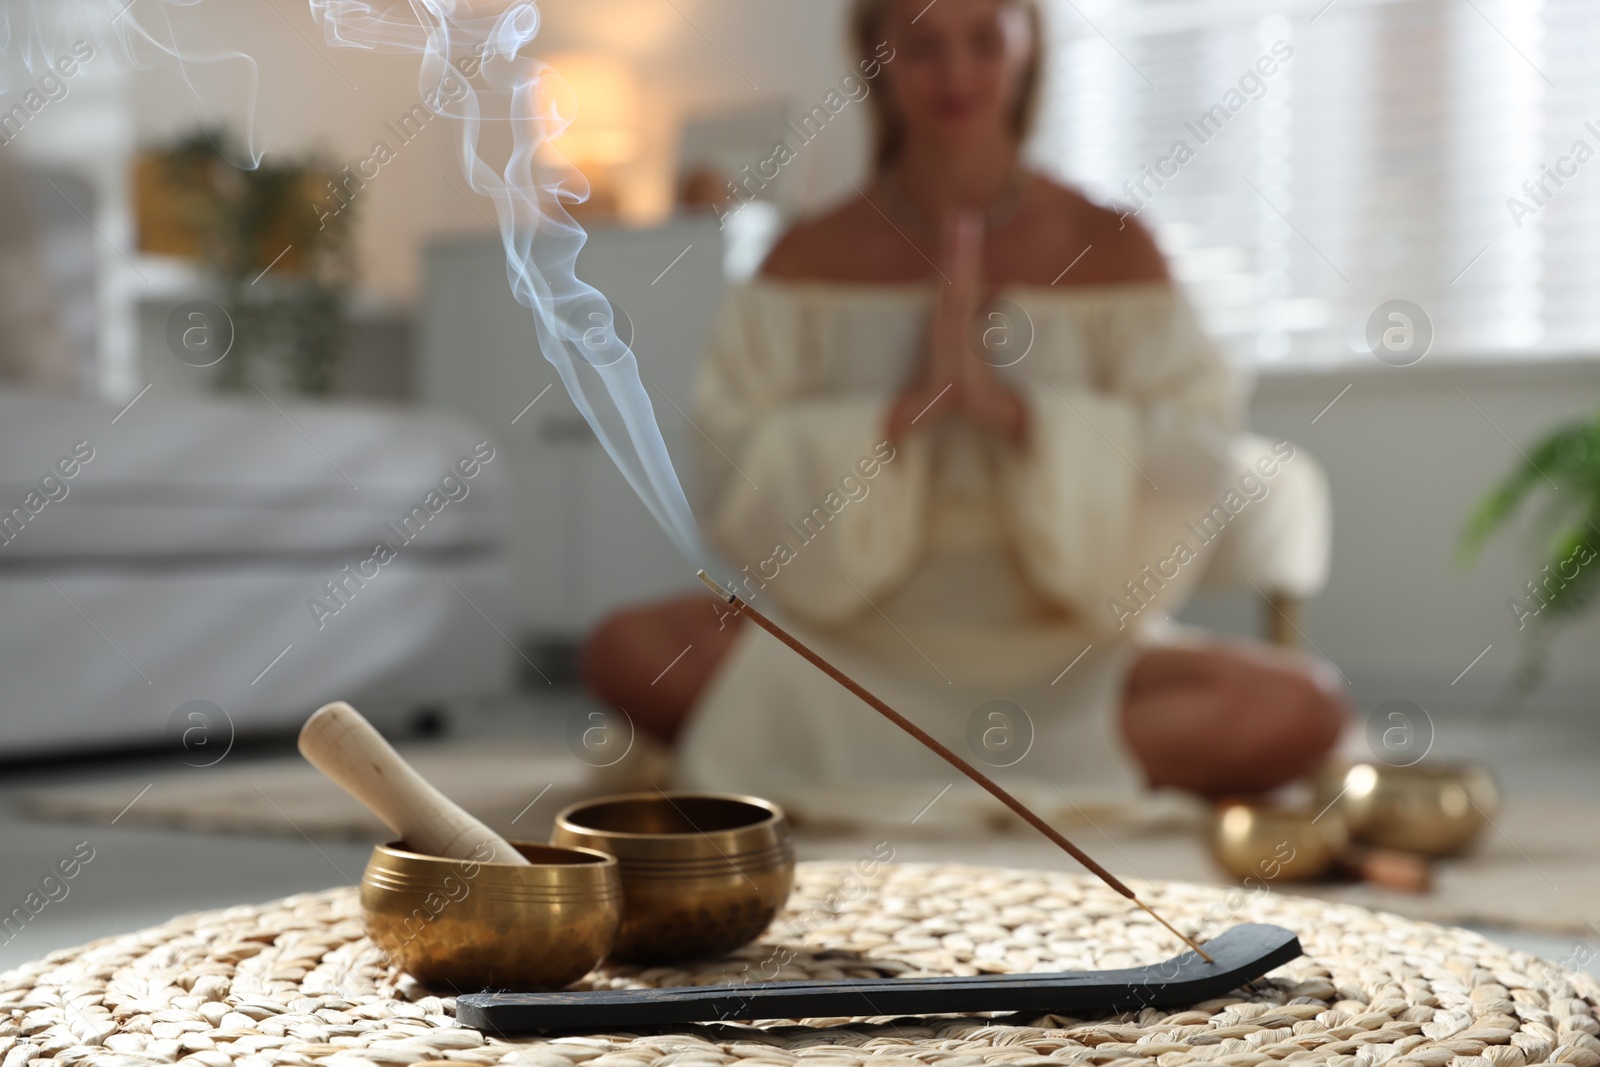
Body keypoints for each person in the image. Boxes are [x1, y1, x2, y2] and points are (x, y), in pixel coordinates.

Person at [582, 0, 1346, 824]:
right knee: (626, 652)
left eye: (984, 41)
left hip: (1062, 647)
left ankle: (873, 762)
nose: (956, 76)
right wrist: (900, 413)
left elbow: (1194, 442)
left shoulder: (1114, 243)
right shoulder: (804, 257)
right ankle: (991, 767)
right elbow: (729, 448)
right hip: (851, 648)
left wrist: (1021, 418)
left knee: (1305, 706)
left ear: (1028, 44)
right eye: (922, 46)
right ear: (875, 51)